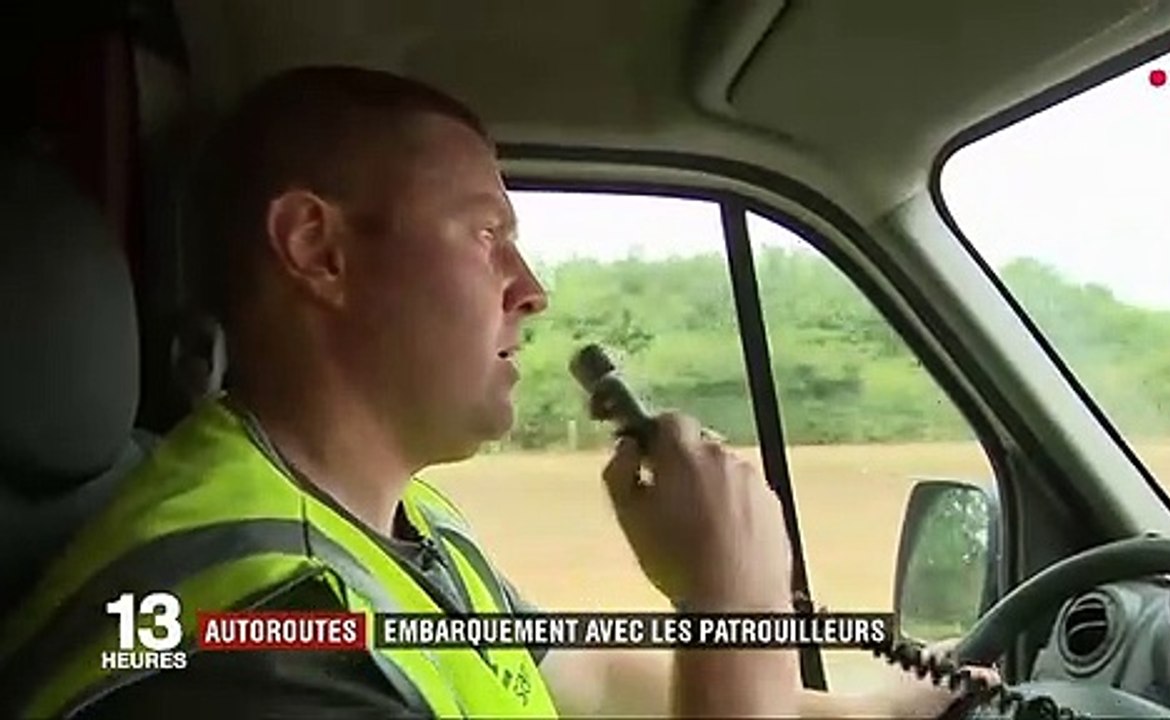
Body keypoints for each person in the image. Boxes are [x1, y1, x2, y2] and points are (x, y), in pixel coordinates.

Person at [2, 66, 998, 718]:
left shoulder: (397, 529)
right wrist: (725, 597)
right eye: (485, 233)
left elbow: (589, 683)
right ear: (319, 251)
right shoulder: (253, 637)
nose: (531, 288)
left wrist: (905, 703)